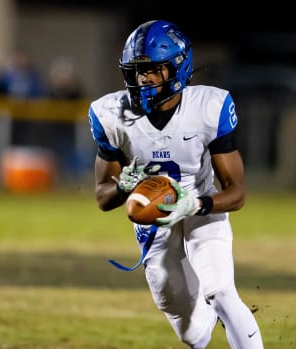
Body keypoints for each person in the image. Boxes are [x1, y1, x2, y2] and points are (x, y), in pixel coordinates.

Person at [88, 20, 264, 348]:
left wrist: (194, 204)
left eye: (153, 70)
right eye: (138, 71)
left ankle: (219, 306)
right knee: (192, 334)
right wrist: (124, 187)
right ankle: (205, 318)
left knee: (221, 291)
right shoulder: (111, 114)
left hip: (201, 205)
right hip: (154, 221)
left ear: (178, 68)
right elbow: (102, 197)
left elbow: (237, 192)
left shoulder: (208, 108)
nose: (143, 79)